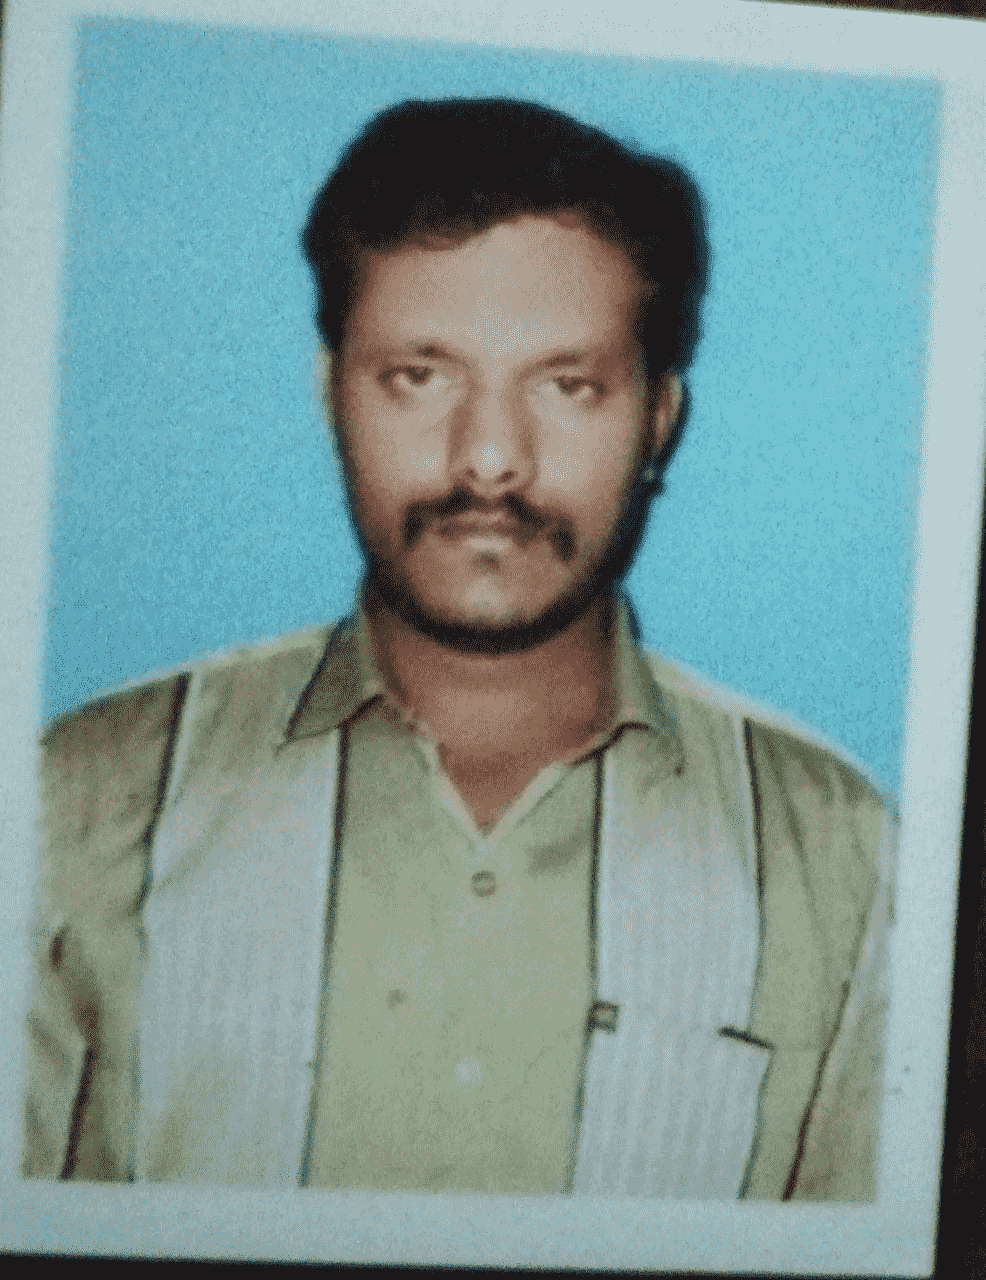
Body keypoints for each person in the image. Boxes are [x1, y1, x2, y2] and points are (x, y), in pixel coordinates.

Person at [23, 98, 896, 1201]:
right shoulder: (76, 801)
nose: (488, 458)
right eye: (419, 376)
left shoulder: (844, 857)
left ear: (657, 421)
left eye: (567, 385)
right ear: (330, 393)